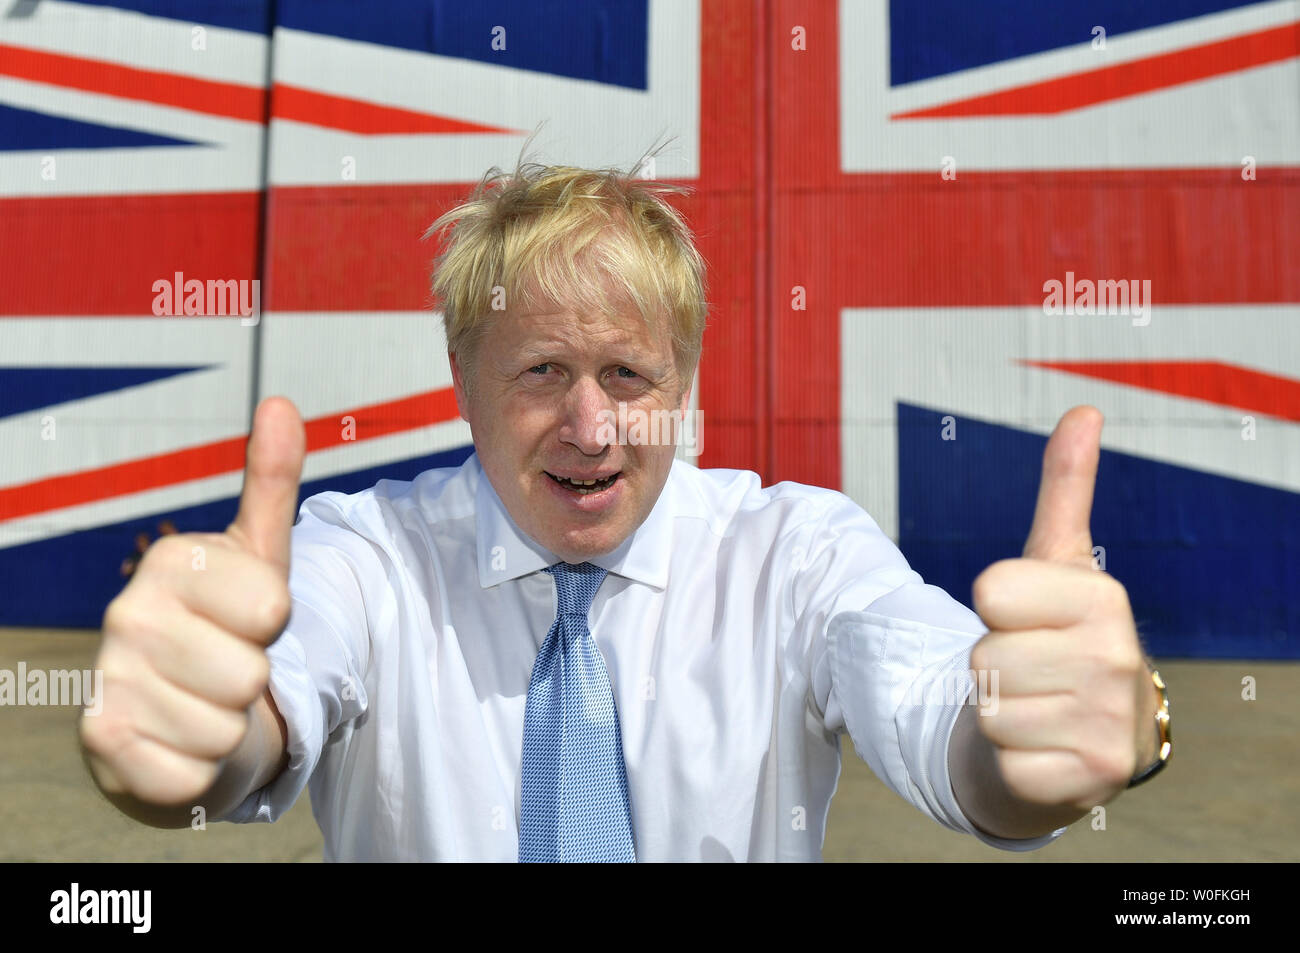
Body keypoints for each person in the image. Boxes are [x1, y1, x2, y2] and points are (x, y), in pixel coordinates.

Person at [79, 157, 1168, 862]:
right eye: (542, 370)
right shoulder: (367, 556)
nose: (591, 428)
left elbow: (948, 724)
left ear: (684, 384)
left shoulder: (791, 552)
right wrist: (206, 741)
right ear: (461, 374)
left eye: (629, 377)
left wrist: (1021, 752)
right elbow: (269, 707)